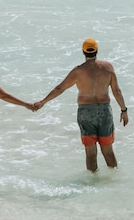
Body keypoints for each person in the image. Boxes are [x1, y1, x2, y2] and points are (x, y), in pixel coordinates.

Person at [34, 38, 128, 172]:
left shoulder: (78, 71)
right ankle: (114, 182)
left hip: (85, 113)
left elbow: (60, 89)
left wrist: (42, 102)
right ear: (97, 51)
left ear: (83, 51)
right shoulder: (108, 68)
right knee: (108, 150)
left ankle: (93, 183)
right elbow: (116, 91)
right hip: (104, 112)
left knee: (90, 153)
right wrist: (124, 110)